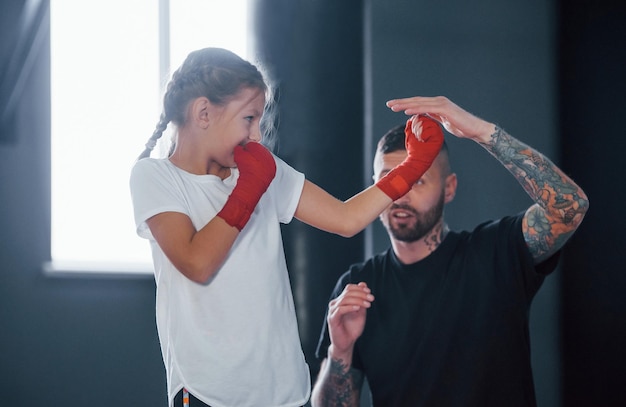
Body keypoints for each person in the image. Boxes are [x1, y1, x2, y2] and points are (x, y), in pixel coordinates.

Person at [129, 48, 444, 407]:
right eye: (248, 119)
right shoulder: (156, 177)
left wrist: (413, 166)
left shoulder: (262, 168)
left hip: (286, 393)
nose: (257, 136)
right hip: (208, 392)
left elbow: (346, 219)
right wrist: (250, 188)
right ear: (203, 113)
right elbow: (197, 263)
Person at [311, 96, 589, 407]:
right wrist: (340, 351)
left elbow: (569, 207)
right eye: (390, 181)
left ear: (450, 187)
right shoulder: (358, 286)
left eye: (416, 180)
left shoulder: (496, 253)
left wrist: (482, 132)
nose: (400, 194)